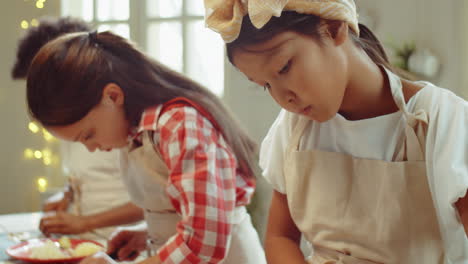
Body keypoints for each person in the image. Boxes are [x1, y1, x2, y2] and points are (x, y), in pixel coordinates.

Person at [204, 0, 468, 263]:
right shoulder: (293, 129)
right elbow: (280, 237)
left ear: (333, 28)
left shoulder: (443, 120)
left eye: (284, 68)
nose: (284, 98)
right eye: (265, 85)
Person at [25, 29, 267, 264]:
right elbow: (186, 212)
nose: (92, 148)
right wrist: (148, 234)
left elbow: (204, 243)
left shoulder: (180, 125)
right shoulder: (137, 134)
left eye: (89, 135)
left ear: (113, 96)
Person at [12, 16, 144, 240]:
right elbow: (85, 176)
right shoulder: (72, 123)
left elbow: (157, 202)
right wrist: (67, 194)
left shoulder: (119, 125)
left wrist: (85, 223)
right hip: (84, 242)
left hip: (116, 243)